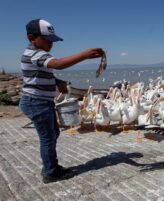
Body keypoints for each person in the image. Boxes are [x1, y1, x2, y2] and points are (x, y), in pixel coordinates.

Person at [19, 19, 104, 184]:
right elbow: (57, 64)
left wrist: (57, 82)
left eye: (52, 41)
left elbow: (40, 73)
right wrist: (84, 55)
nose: (51, 44)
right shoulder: (35, 54)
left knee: (53, 134)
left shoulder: (37, 54)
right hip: (35, 102)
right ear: (32, 38)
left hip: (41, 102)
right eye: (47, 40)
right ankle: (50, 172)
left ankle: (52, 166)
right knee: (48, 137)